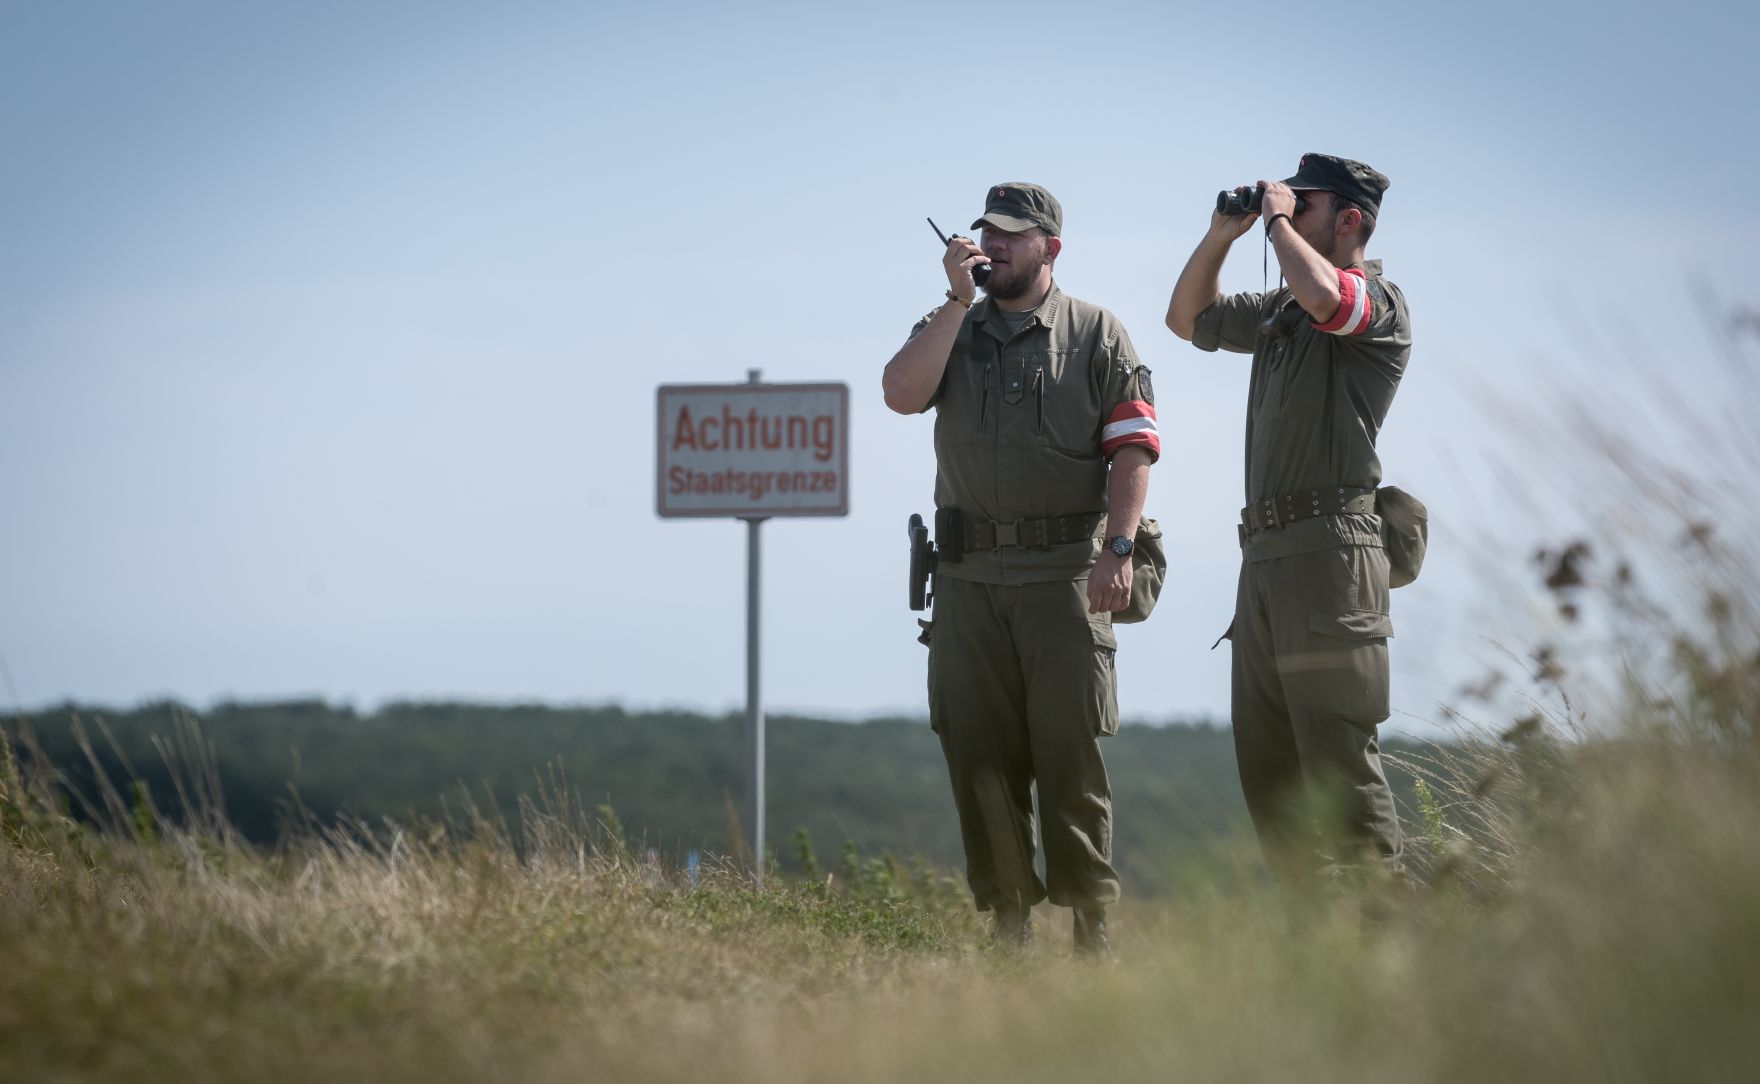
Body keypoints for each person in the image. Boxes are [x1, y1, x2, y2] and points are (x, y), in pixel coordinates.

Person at [882, 182, 1159, 952]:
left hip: (1066, 575)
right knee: (979, 758)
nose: (993, 245)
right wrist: (950, 303)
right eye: (986, 233)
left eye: (1010, 235)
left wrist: (1121, 547)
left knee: (1071, 756)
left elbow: (1134, 447)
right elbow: (901, 395)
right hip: (969, 583)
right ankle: (1008, 921)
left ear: (1050, 248)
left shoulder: (1097, 332)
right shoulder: (953, 326)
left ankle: (1091, 922)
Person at [1164, 153, 1411, 890]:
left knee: (1340, 770)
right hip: (1267, 558)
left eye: (1305, 206)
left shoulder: (1378, 304)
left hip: (1332, 559)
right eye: (1288, 204)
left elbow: (1333, 303)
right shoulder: (1281, 314)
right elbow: (1186, 319)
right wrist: (1221, 234)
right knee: (1271, 773)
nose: (1289, 212)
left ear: (1350, 221)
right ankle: (1314, 953)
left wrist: (1273, 223)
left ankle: (1386, 946)